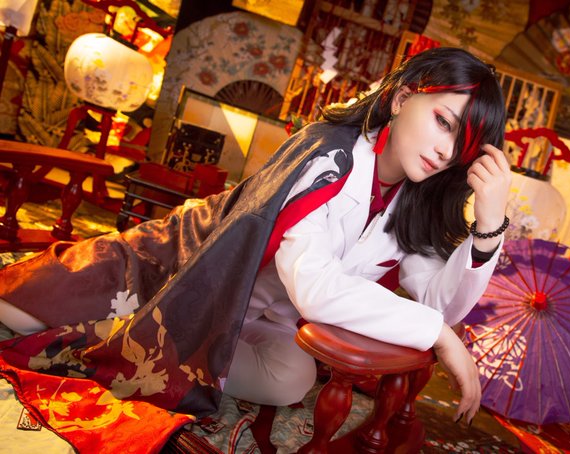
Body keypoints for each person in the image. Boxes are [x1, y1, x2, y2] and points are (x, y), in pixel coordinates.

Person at [0, 47, 510, 438]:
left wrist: (488, 229)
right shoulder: (330, 156)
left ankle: (146, 346)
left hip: (254, 319)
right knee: (16, 308)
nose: (445, 151)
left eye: (461, 144)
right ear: (402, 98)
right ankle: (126, 332)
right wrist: (441, 337)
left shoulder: (416, 203)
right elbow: (315, 286)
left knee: (291, 377)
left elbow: (439, 304)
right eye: (442, 122)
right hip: (178, 267)